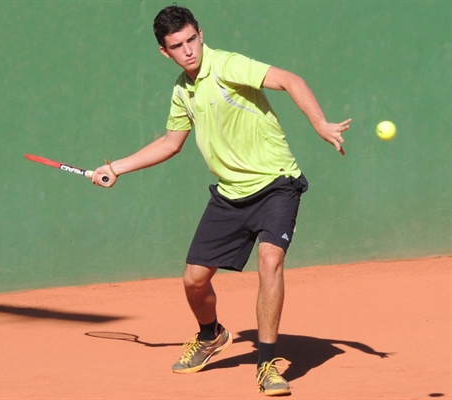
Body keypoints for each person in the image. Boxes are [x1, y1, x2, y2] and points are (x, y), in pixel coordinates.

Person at [92, 5, 351, 397]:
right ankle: (211, 334)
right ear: (166, 52)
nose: (189, 50)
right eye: (177, 46)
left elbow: (290, 80)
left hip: (277, 182)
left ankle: (267, 365)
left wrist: (319, 123)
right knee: (194, 281)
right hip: (230, 194)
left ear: (200, 33)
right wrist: (117, 167)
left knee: (270, 261)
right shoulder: (182, 90)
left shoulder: (228, 65)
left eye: (192, 39)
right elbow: (169, 143)